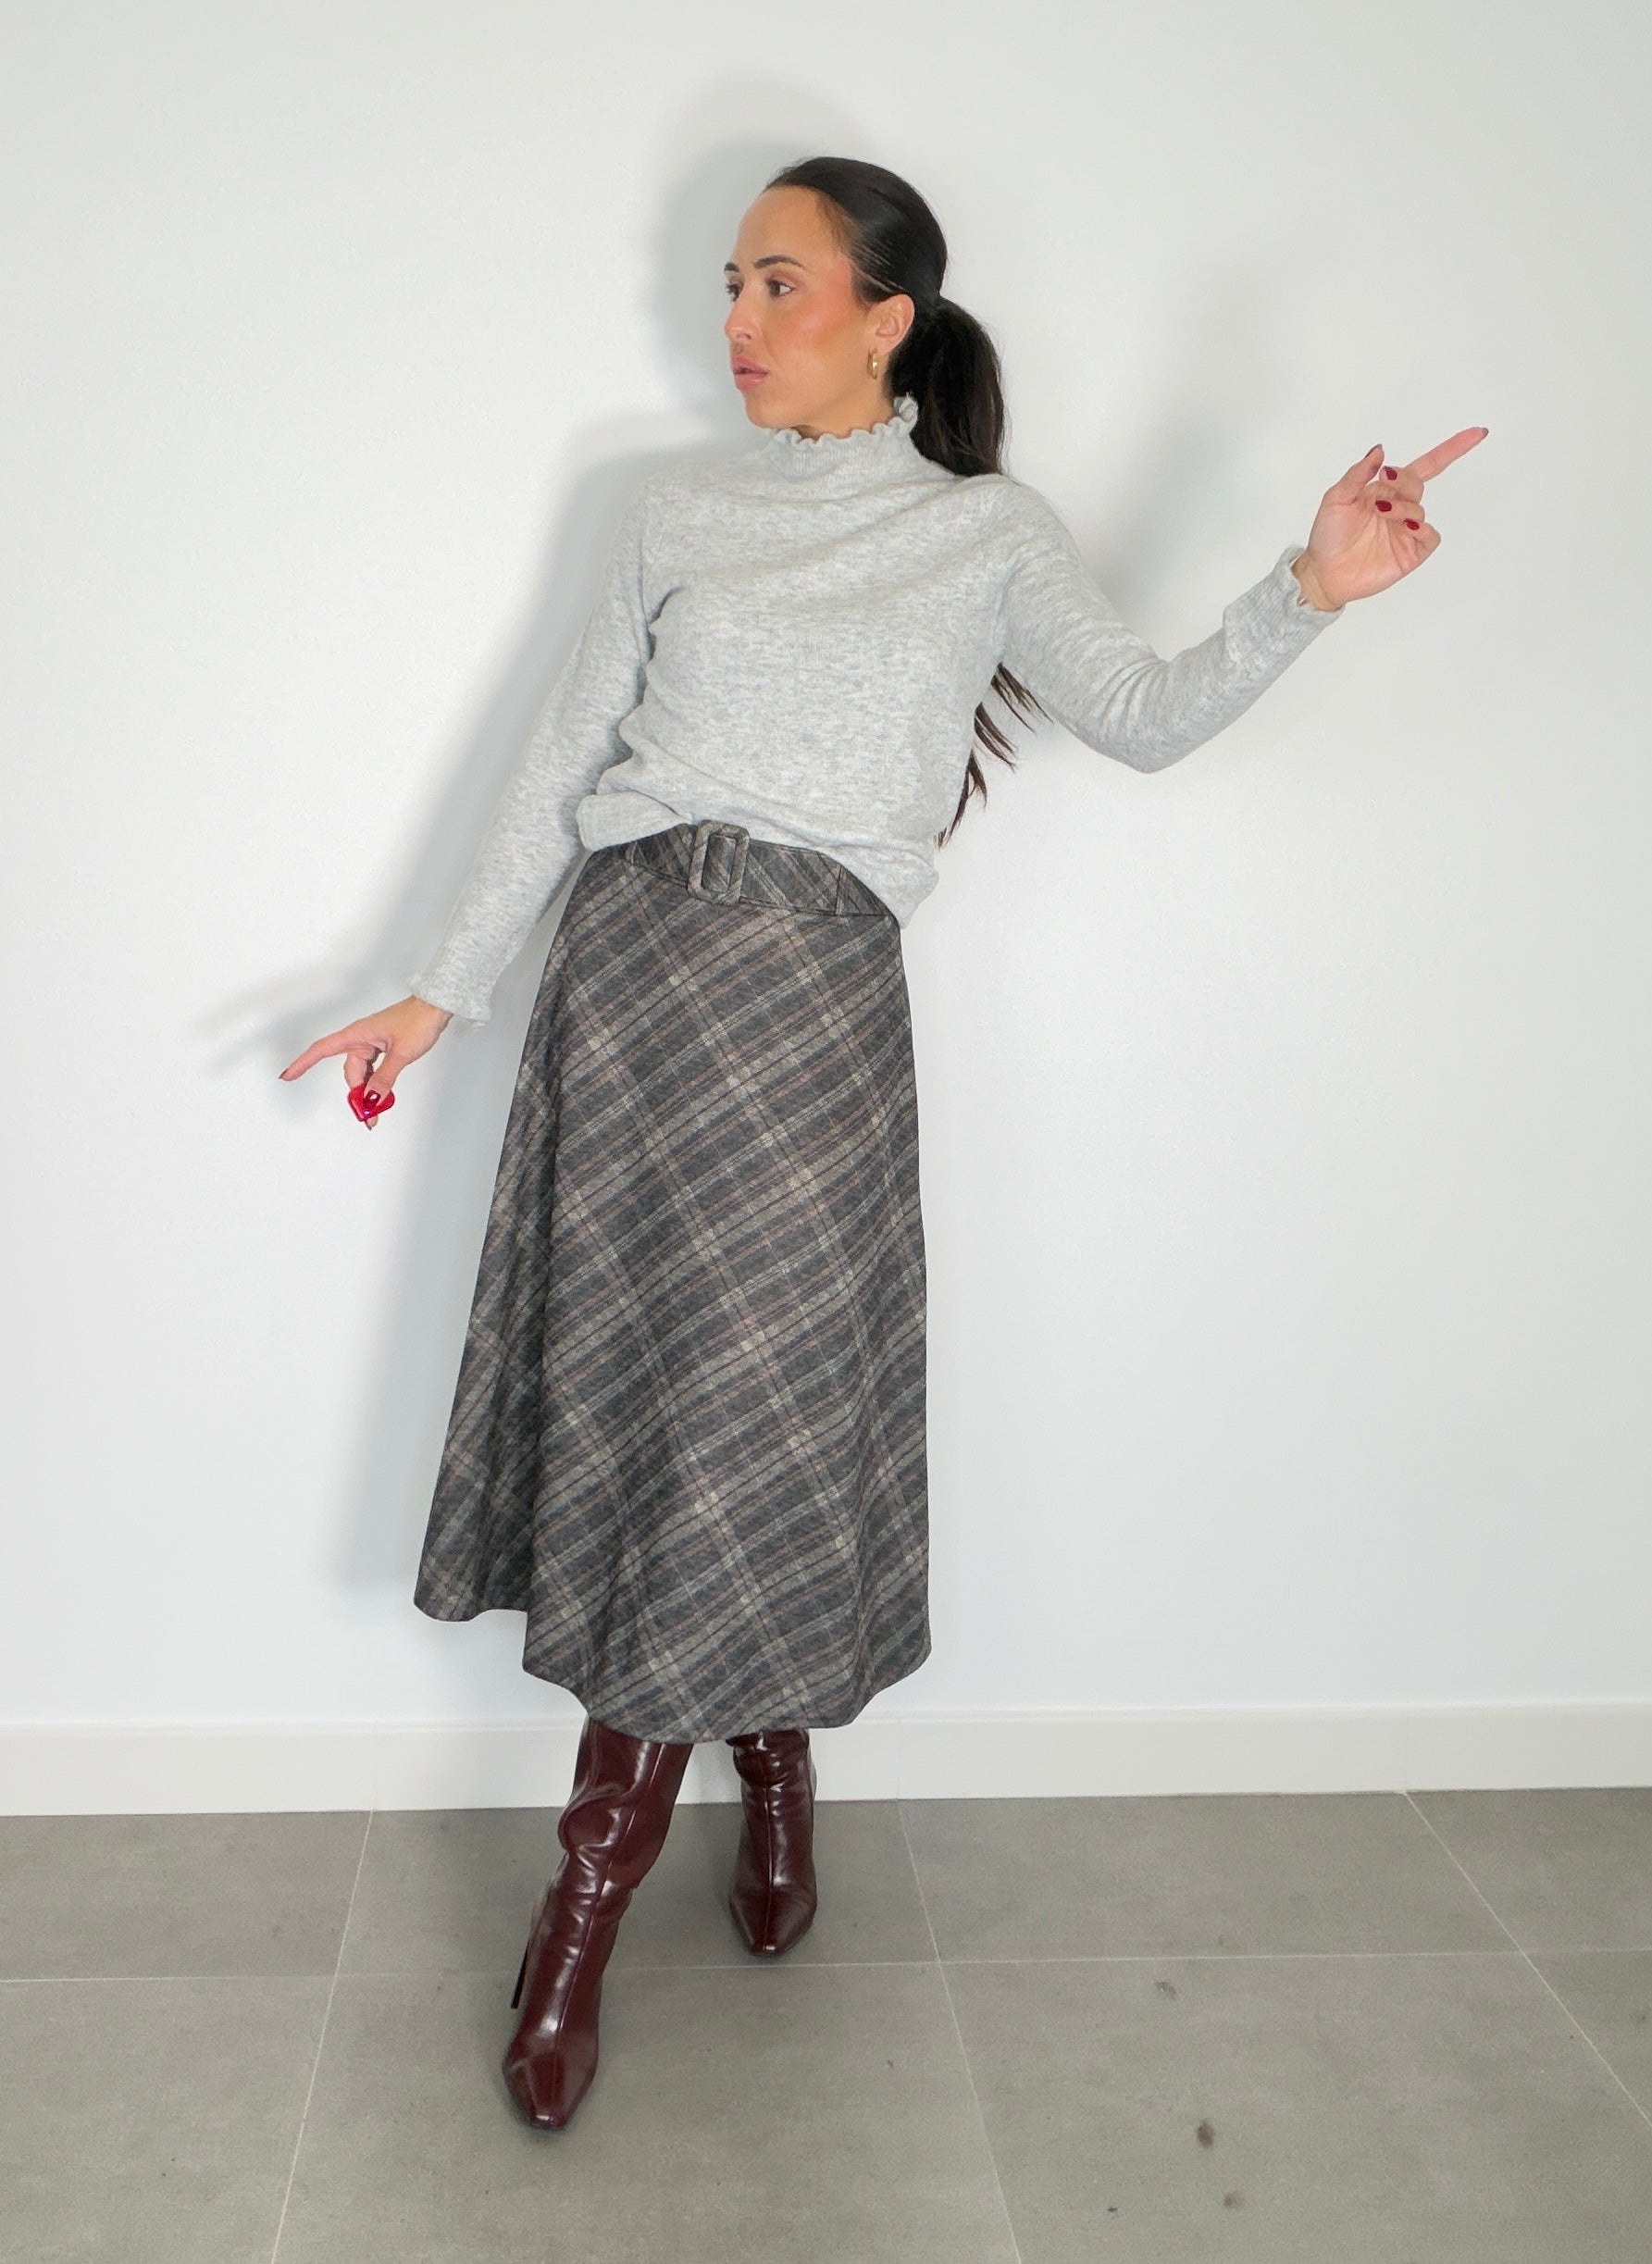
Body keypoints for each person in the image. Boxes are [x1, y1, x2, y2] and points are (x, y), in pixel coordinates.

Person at [279, 154, 1486, 2131]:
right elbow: (564, 753)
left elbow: (1142, 714)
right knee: (647, 1398)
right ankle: (754, 1778)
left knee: (744, 1410)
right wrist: (439, 988)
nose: (736, 321)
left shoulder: (982, 531)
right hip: (626, 989)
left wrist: (1308, 588)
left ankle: (596, 1896)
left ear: (886, 317)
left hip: (809, 1008)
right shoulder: (668, 508)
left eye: (779, 282)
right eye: (727, 283)